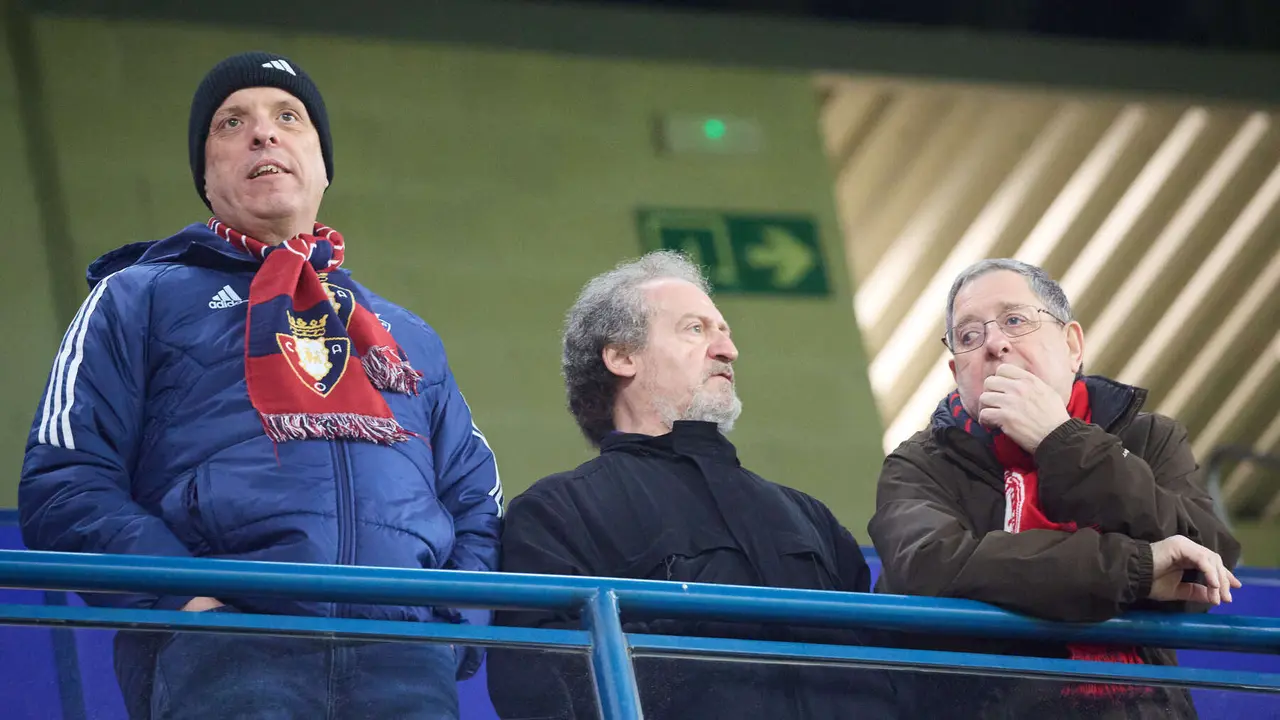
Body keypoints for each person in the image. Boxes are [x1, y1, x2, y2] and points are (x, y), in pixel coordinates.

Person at [18, 52, 503, 720]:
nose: (263, 133)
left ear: (324, 166)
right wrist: (188, 603)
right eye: (231, 122)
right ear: (206, 173)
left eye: (288, 117)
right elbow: (66, 478)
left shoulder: (403, 334)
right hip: (224, 655)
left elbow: (474, 498)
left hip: (406, 658)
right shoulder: (136, 297)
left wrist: (450, 624)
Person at [487, 251, 904, 719]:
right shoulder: (558, 513)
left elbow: (884, 672)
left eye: (724, 331)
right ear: (622, 357)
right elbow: (541, 688)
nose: (728, 350)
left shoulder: (810, 516)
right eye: (696, 329)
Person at [868, 258, 1242, 720]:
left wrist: (1060, 439)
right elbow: (931, 570)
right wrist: (1137, 568)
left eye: (1015, 320)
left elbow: (1207, 563)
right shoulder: (919, 464)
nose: (995, 344)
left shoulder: (1148, 439)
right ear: (956, 373)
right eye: (969, 336)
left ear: (1071, 345)